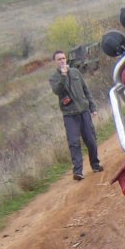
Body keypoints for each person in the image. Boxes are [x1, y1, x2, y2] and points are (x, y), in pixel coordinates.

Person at [49, 49, 102, 180]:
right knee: (74, 142)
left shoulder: (75, 72)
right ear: (55, 62)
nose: (62, 61)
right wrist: (63, 76)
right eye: (59, 59)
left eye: (63, 58)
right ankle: (78, 171)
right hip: (70, 115)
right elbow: (57, 90)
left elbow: (86, 90)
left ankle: (95, 164)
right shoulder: (54, 78)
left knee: (90, 140)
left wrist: (92, 107)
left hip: (84, 111)